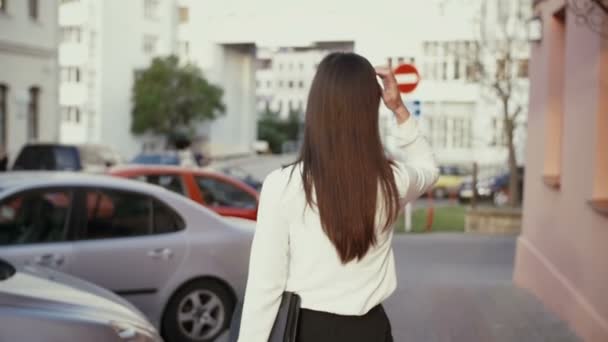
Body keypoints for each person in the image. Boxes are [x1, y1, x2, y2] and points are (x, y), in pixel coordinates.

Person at [236, 52, 438, 342]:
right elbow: (429, 169)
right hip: (370, 331)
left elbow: (264, 286)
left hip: (306, 331)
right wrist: (399, 110)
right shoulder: (391, 181)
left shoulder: (283, 186)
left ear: (315, 108)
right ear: (370, 109)